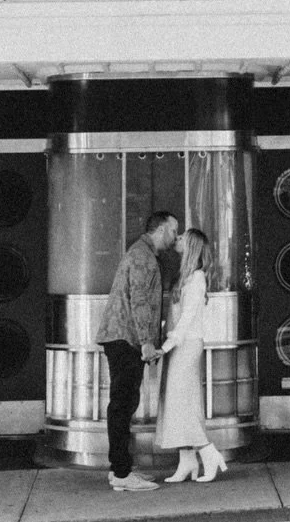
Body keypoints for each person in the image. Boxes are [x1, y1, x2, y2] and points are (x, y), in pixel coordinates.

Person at [97, 209, 179, 493]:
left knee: (123, 403)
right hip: (126, 339)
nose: (176, 236)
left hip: (123, 338)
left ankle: (120, 469)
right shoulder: (143, 256)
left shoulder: (142, 253)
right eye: (173, 231)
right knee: (122, 404)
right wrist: (146, 341)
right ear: (160, 230)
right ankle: (121, 473)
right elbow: (140, 299)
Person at [154, 227, 229, 484]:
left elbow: (186, 320)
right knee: (177, 403)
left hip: (185, 346)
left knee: (184, 403)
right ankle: (187, 461)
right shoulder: (186, 277)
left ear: (191, 247)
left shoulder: (196, 279)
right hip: (180, 346)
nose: (177, 239)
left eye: (182, 238)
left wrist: (166, 345)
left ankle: (208, 452)